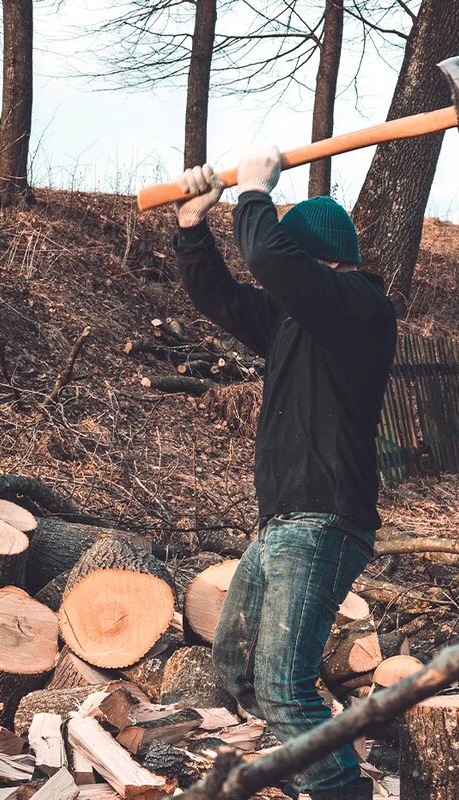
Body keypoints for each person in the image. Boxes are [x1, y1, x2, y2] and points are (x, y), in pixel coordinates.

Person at [171, 149, 397, 800]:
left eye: (290, 267)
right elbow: (218, 294)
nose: (276, 284)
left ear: (316, 261)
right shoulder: (294, 322)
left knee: (283, 683)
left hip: (324, 520)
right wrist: (191, 224)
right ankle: (305, 774)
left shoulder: (357, 308)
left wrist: (253, 192)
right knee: (238, 666)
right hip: (279, 525)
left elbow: (268, 259)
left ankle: (338, 791)